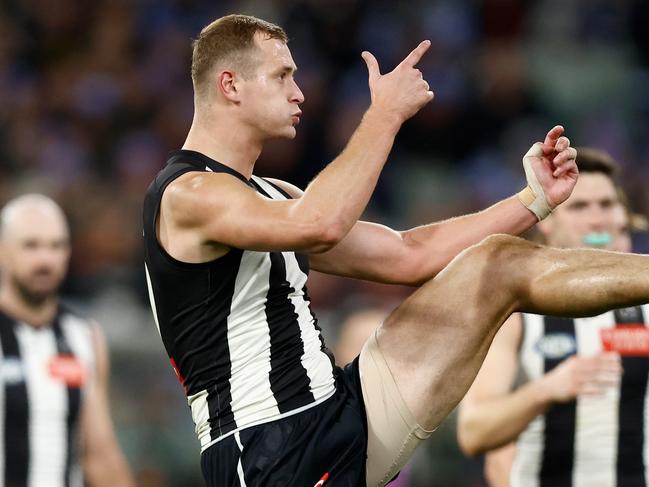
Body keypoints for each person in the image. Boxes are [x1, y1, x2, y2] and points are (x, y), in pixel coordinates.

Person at [142, 14, 649, 487]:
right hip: (267, 449)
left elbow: (409, 255)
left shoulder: (273, 195)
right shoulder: (187, 193)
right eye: (282, 76)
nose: (299, 92)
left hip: (340, 406)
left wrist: (533, 200)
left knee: (499, 262)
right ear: (230, 85)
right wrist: (384, 115)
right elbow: (320, 224)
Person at [457, 149, 649, 486]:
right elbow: (474, 431)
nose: (596, 220)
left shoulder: (645, 308)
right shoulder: (517, 312)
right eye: (579, 206)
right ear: (546, 222)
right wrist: (546, 390)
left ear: (623, 216)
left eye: (605, 205)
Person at [0, 194, 134, 487]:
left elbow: (99, 454)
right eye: (31, 245)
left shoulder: (84, 336)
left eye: (56, 245)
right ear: (2, 251)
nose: (45, 259)